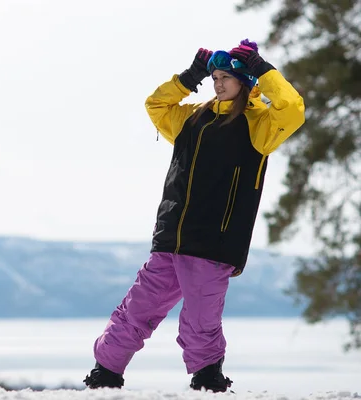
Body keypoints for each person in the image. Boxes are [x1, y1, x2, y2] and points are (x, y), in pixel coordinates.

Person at [83, 39, 305, 392]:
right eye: (214, 76)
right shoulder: (193, 118)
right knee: (136, 310)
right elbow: (156, 104)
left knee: (200, 320)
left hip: (213, 242)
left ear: (246, 82)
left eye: (225, 77)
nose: (217, 83)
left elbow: (292, 108)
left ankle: (207, 378)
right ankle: (105, 372)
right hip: (171, 237)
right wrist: (189, 77)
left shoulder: (260, 125)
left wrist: (264, 69)